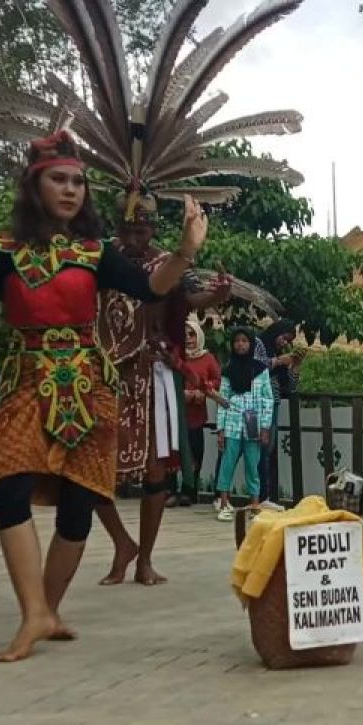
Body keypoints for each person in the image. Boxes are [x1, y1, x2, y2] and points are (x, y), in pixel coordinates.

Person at [0, 130, 208, 661]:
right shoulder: (2, 250)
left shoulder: (94, 252)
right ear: (33, 185)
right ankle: (33, 612)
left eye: (78, 182)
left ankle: (47, 611)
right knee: (8, 489)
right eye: (58, 179)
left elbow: (151, 288)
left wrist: (184, 251)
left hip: (87, 384)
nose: (70, 190)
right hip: (27, 380)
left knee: (77, 506)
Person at [93, 193, 231, 587]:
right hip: (105, 376)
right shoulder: (98, 258)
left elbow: (190, 299)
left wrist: (217, 295)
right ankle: (122, 543)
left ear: (152, 229)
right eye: (127, 230)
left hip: (151, 375)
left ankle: (145, 560)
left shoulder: (168, 263)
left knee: (156, 471)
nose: (134, 237)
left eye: (141, 230)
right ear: (116, 228)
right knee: (90, 470)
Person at [215, 328, 273, 521]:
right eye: (237, 341)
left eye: (245, 341)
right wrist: (220, 429)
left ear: (251, 344)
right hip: (232, 423)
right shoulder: (228, 370)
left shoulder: (260, 370)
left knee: (252, 464)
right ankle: (224, 504)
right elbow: (223, 401)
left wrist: (265, 427)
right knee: (227, 463)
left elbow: (267, 399)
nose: (240, 344)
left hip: (253, 425)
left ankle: (255, 505)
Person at [255, 318, 304, 501]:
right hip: (254, 403)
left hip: (272, 405)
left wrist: (295, 365)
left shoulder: (279, 354)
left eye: (288, 341)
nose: (284, 343)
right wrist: (277, 361)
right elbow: (253, 367)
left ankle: (263, 496)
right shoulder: (258, 344)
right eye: (284, 338)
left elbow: (290, 387)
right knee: (249, 448)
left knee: (267, 448)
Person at [180, 316, 221, 506]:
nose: (189, 339)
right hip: (177, 413)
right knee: (175, 453)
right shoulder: (177, 357)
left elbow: (217, 380)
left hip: (196, 416)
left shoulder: (208, 358)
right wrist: (182, 393)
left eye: (192, 334)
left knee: (195, 453)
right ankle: (172, 490)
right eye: (185, 335)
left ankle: (190, 491)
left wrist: (202, 392)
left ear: (199, 337)